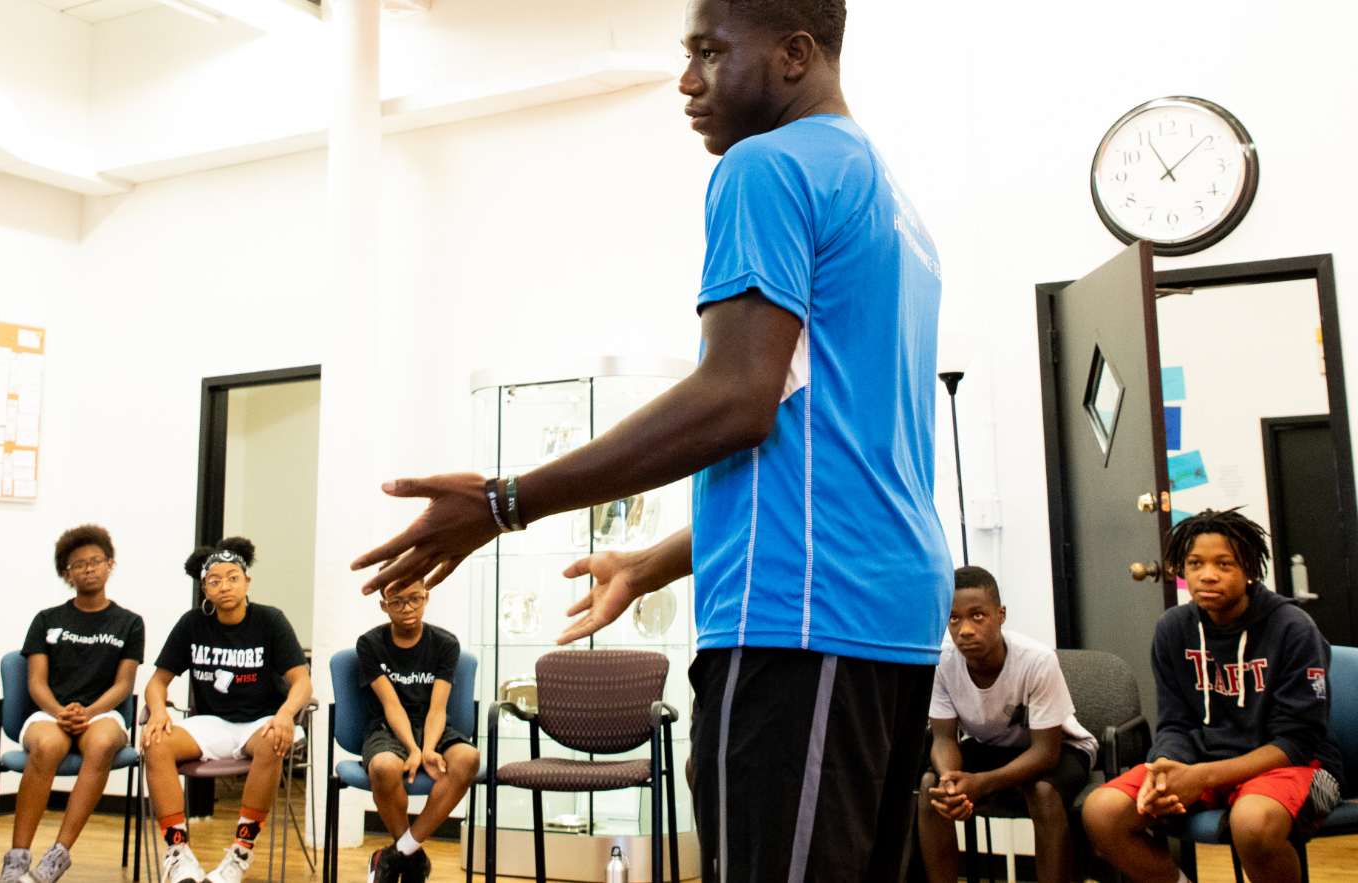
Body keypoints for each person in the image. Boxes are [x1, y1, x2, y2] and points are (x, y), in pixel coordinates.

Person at [351, 1, 949, 880]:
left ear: (794, 54)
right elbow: (815, 455)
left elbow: (735, 398)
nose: (687, 80)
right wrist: (648, 565)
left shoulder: (767, 166)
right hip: (888, 608)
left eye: (711, 52)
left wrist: (503, 501)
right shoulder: (894, 205)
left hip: (806, 621)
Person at [1084, 509, 1345, 883]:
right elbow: (1175, 722)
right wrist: (1165, 769)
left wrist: (1200, 777)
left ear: (1250, 569)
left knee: (1252, 823)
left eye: (1224, 563)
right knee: (1102, 811)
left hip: (1298, 766)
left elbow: (1298, 742)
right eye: (1195, 563)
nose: (1207, 574)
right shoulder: (1173, 628)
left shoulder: (1293, 628)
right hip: (1202, 763)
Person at [145, 537, 312, 883]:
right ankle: (179, 855)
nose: (225, 586)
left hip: (263, 721)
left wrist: (284, 715)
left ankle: (239, 855)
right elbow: (156, 682)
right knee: (156, 743)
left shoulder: (269, 620)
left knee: (271, 741)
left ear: (247, 582)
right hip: (212, 723)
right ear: (205, 589)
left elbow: (302, 682)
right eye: (215, 580)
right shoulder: (192, 624)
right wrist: (159, 711)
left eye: (233, 577)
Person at [918, 566, 1096, 883]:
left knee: (1041, 792)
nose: (965, 630)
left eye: (978, 616)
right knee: (934, 790)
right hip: (993, 746)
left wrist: (982, 783)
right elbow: (944, 739)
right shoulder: (942, 663)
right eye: (954, 619)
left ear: (1000, 615)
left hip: (1061, 748)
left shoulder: (1036, 660)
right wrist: (950, 781)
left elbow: (1046, 754)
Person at [0, 525, 145, 883]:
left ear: (110, 564)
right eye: (78, 564)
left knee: (102, 743)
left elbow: (124, 684)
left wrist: (89, 712)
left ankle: (57, 857)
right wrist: (59, 712)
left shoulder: (129, 623)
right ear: (67, 573)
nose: (89, 569)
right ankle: (16, 860)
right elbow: (36, 680)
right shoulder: (48, 619)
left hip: (102, 712)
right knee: (47, 745)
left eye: (96, 561)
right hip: (50, 710)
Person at [357, 581, 479, 883]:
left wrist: (427, 748)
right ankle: (414, 860)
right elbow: (392, 704)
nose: (408, 608)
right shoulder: (370, 644)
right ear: (384, 606)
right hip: (388, 726)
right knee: (384, 767)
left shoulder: (445, 643)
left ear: (426, 597)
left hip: (433, 725)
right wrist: (413, 748)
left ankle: (397, 854)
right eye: (397, 602)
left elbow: (438, 709)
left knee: (468, 758)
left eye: (415, 599)